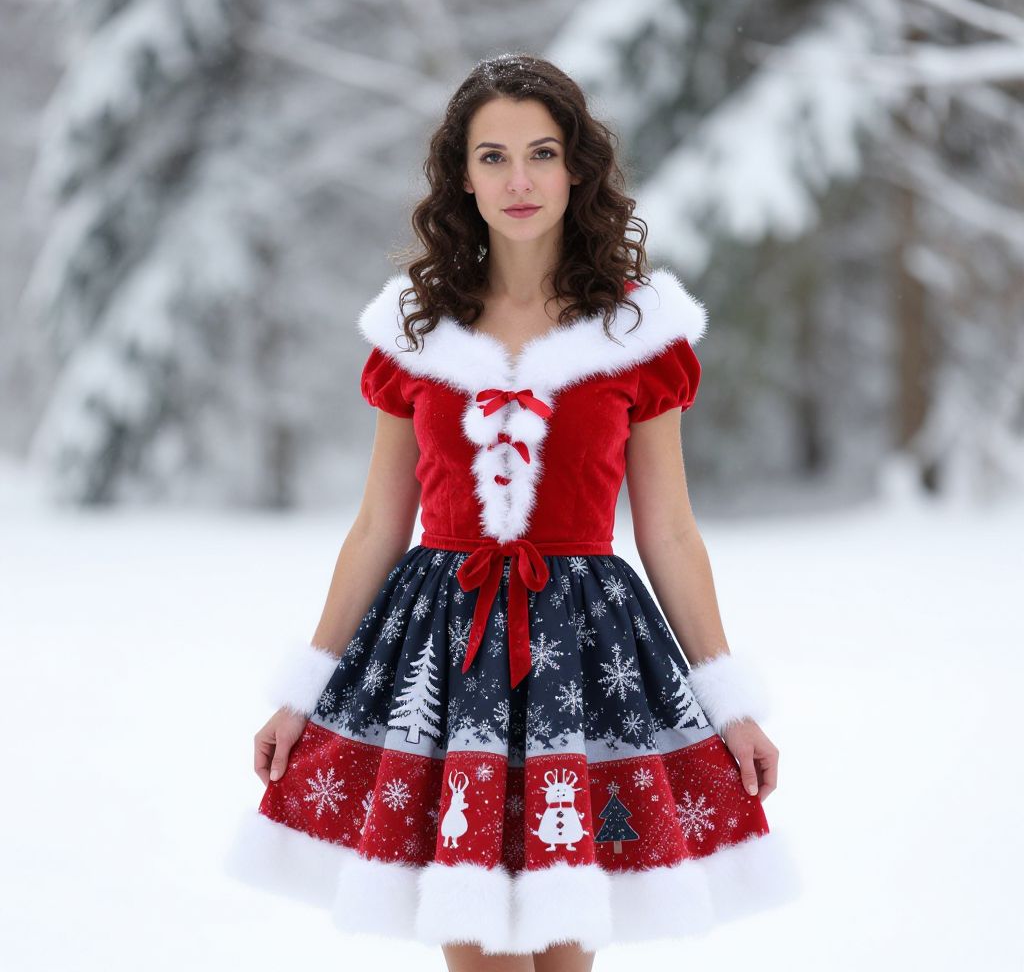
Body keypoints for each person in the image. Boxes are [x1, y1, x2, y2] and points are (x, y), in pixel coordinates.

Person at [225, 53, 800, 971]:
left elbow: (670, 530)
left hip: (589, 654)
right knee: (481, 947)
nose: (520, 180)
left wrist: (727, 699)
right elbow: (379, 524)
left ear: (578, 167)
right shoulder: (418, 329)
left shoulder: (635, 331)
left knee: (564, 951)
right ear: (462, 174)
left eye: (542, 153)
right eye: (493, 157)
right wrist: (304, 689)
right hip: (445, 656)